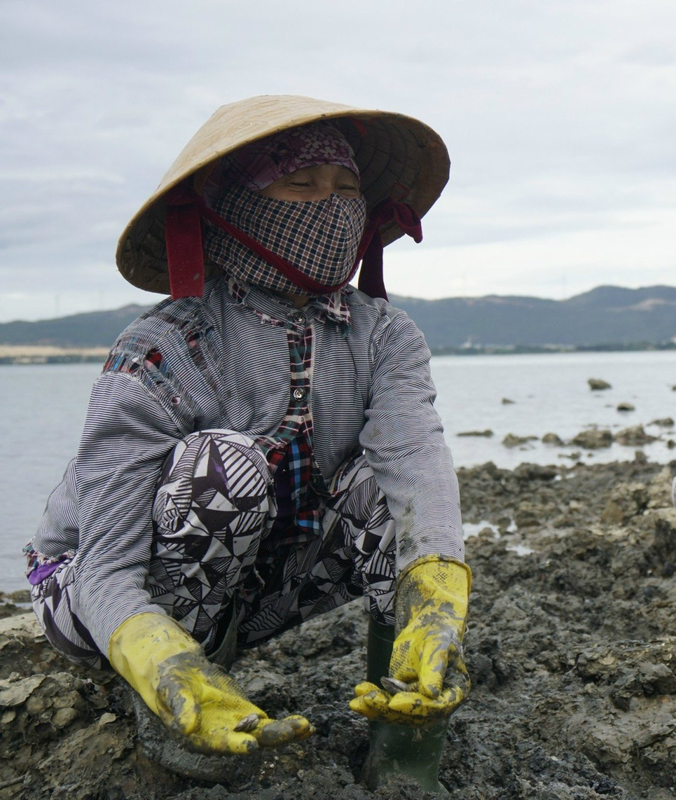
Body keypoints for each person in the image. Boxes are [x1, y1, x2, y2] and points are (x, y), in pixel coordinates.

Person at [23, 95, 469, 782]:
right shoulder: (160, 351)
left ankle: (407, 739)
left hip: (267, 577)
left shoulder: (383, 335)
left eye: (347, 189)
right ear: (232, 206)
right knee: (220, 469)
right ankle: (178, 708)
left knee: (400, 496)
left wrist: (437, 603)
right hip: (98, 592)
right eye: (301, 184)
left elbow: (416, 460)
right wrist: (162, 661)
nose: (332, 206)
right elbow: (107, 570)